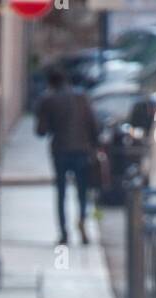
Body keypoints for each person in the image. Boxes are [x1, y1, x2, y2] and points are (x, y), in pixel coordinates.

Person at [35, 65, 100, 246]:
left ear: (51, 83)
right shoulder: (82, 98)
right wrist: (95, 146)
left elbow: (40, 131)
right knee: (82, 192)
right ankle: (82, 222)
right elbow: (93, 125)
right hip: (82, 150)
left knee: (61, 193)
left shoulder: (48, 100)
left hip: (60, 151)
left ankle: (64, 233)